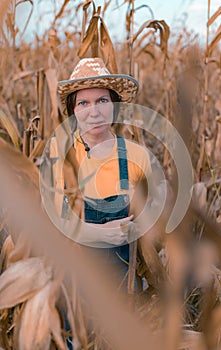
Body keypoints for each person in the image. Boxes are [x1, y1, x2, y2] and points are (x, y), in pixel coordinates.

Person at [53, 57, 152, 288]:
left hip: (123, 281)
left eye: (102, 100)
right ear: (73, 110)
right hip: (72, 281)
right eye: (83, 103)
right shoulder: (59, 157)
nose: (94, 112)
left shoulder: (137, 156)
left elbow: (154, 224)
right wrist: (97, 234)